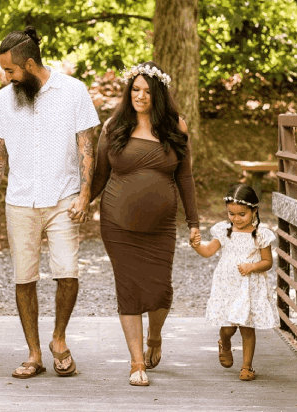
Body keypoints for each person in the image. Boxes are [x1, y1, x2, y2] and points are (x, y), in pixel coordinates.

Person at [0, 26, 99, 379]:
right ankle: (33, 352)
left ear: (29, 64)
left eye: (11, 70)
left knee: (68, 272)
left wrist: (84, 193)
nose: (7, 77)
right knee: (24, 277)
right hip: (19, 200)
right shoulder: (4, 99)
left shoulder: (73, 91)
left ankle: (58, 339)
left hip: (63, 196)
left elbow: (86, 147)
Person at [89, 62, 200, 386]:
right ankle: (136, 361)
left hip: (161, 228)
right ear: (129, 91)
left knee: (161, 290)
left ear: (159, 94)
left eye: (148, 91)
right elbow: (98, 176)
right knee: (128, 291)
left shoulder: (175, 126)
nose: (140, 96)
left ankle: (155, 337)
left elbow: (186, 176)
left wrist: (194, 223)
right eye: (135, 89)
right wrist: (81, 202)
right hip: (117, 224)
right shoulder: (114, 126)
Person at [191, 183, 277, 381]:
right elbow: (208, 251)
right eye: (232, 214)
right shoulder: (224, 231)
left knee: (247, 327)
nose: (236, 219)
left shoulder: (261, 235)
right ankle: (225, 341)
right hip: (227, 285)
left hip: (249, 286)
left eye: (242, 214)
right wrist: (196, 245)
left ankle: (247, 367)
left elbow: (268, 262)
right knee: (229, 327)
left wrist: (251, 267)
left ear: (254, 210)